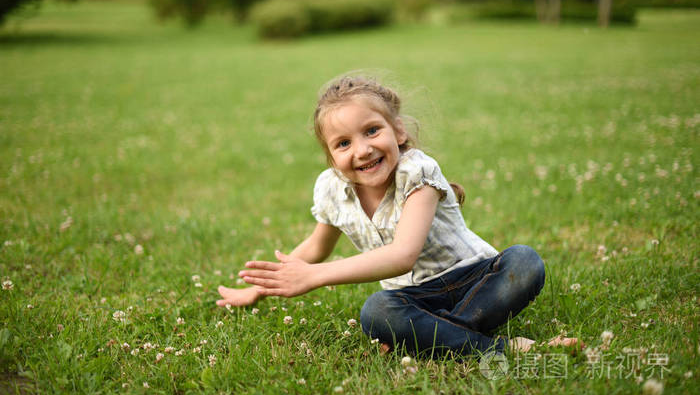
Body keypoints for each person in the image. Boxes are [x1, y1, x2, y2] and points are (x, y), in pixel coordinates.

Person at [217, 75, 579, 356]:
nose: (362, 150)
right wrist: (257, 290)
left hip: (476, 278)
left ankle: (431, 336)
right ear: (330, 156)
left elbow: (402, 255)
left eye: (372, 131)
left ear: (398, 130)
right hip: (412, 297)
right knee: (377, 312)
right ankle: (493, 347)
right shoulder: (331, 189)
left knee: (525, 261)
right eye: (343, 144)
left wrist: (315, 277)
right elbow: (316, 246)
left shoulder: (416, 172)